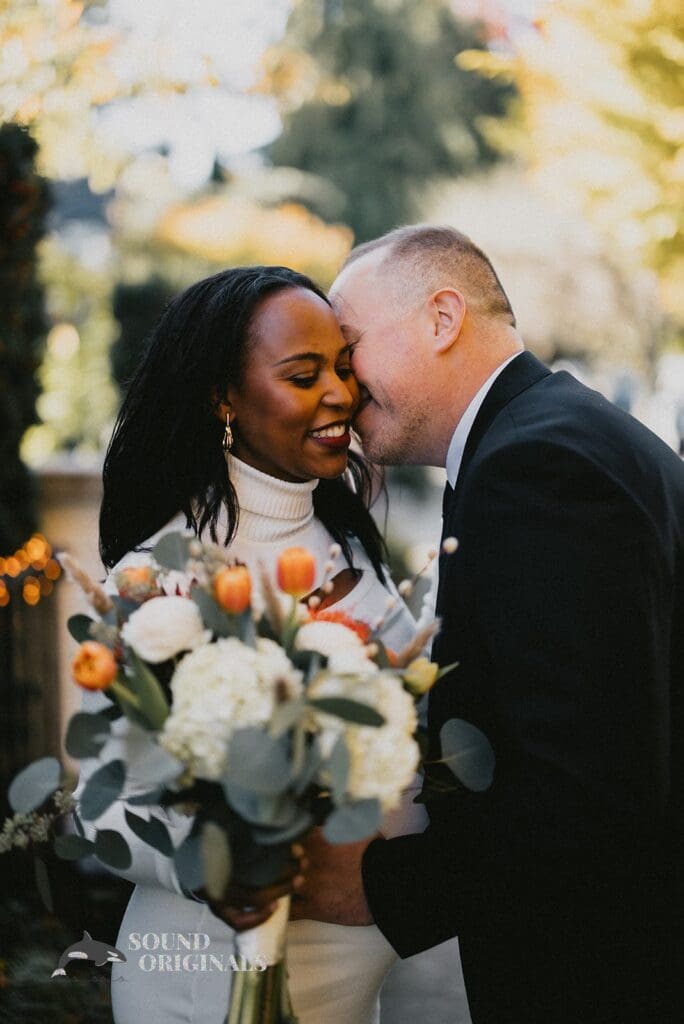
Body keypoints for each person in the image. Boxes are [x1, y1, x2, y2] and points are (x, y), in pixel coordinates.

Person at [291, 226, 684, 1023]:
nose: (340, 385)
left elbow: (586, 792)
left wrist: (377, 886)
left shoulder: (536, 468)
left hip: (601, 977)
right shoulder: (560, 432)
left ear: (442, 319)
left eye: (351, 348)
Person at [76, 265, 467, 1023]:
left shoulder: (351, 547)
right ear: (223, 397)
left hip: (365, 977)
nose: (339, 394)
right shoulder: (156, 582)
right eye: (303, 374)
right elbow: (105, 812)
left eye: (344, 367)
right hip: (210, 974)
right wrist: (220, 862)